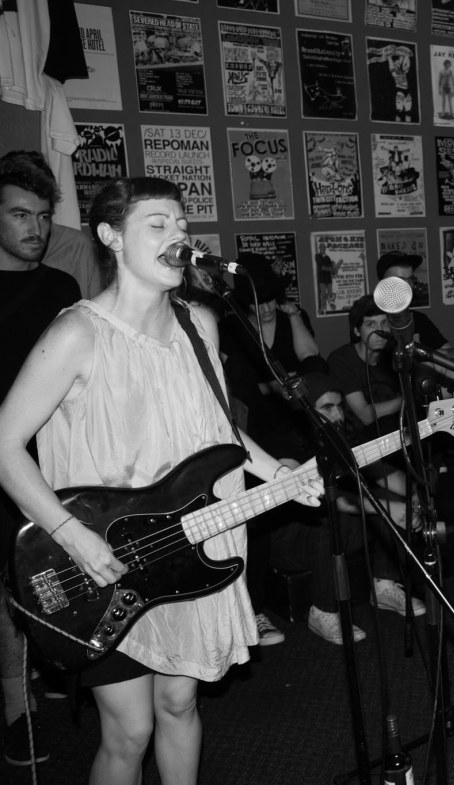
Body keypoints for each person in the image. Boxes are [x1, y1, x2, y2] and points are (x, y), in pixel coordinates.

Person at [0, 177, 322, 785]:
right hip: (101, 557)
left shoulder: (200, 324)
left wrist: (272, 469)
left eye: (181, 224)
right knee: (130, 731)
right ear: (111, 237)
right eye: (157, 224)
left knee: (179, 704)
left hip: (188, 546)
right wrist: (71, 534)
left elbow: (216, 426)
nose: (178, 235)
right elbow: (3, 445)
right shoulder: (78, 333)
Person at [0, 150, 83, 766]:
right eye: (20, 214)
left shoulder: (61, 288)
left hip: (53, 457)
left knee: (50, 573)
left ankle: (54, 663)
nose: (36, 228)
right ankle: (14, 709)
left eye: (44, 216)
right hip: (1, 454)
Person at [269, 372, 424, 644]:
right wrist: (384, 506)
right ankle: (323, 610)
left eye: (340, 406)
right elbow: (318, 497)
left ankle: (384, 586)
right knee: (327, 517)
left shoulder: (342, 436)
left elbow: (384, 475)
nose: (338, 414)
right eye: (327, 407)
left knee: (385, 497)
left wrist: (415, 493)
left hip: (335, 527)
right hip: (291, 541)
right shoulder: (287, 440)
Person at [219, 252, 325, 646]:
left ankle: (326, 599)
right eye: (257, 302)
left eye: (269, 300)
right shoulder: (230, 326)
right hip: (255, 430)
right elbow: (240, 388)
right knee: (257, 515)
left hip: (296, 422)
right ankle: (254, 607)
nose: (265, 309)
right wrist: (273, 387)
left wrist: (293, 317)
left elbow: (312, 360)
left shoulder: (289, 316)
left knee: (322, 485)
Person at [376, 251, 454, 391]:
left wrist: (432, 357)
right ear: (383, 285)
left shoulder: (418, 319)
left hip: (427, 385)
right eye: (400, 281)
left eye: (410, 279)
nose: (407, 286)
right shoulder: (372, 320)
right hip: (392, 391)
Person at [327, 295, 404, 434]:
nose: (380, 331)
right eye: (371, 324)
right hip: (358, 439)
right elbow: (365, 415)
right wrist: (409, 400)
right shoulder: (341, 360)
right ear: (356, 330)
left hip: (395, 434)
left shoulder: (395, 355)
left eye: (385, 323)